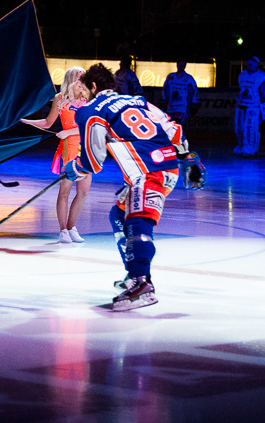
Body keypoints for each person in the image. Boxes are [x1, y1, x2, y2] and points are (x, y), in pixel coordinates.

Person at [64, 63, 190, 311]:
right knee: (119, 214)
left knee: (137, 220)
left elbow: (93, 161)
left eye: (85, 89)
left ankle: (143, 284)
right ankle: (134, 274)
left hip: (147, 173)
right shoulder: (139, 101)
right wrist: (190, 159)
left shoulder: (91, 111)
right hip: (165, 166)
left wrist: (74, 168)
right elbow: (173, 128)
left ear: (93, 86)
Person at [21, 66, 90, 243]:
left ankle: (72, 227)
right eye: (80, 78)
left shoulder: (88, 99)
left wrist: (69, 132)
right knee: (65, 191)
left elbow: (90, 126)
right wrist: (25, 121)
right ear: (71, 80)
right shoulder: (59, 99)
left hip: (86, 151)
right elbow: (47, 122)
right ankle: (63, 230)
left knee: (83, 192)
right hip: (68, 149)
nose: (83, 82)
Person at [234, 56, 265, 156]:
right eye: (248, 63)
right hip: (242, 104)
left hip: (254, 106)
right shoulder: (242, 74)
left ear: (255, 65)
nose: (248, 65)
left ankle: (251, 147)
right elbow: (241, 88)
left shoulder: (261, 76)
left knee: (250, 127)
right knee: (239, 127)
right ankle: (241, 146)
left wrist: (263, 107)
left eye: (251, 64)